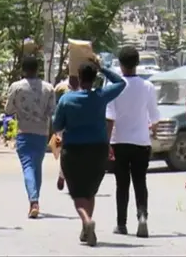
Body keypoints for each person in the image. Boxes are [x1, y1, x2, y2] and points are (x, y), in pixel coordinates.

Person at [52, 59, 126, 247]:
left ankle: (86, 220)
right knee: (90, 191)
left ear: (78, 77)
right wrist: (102, 68)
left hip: (73, 150)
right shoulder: (101, 96)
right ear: (94, 78)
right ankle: (86, 229)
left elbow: (57, 125)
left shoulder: (66, 99)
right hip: (98, 149)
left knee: (77, 193)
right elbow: (120, 83)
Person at [105, 46, 160, 237]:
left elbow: (109, 118)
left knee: (122, 184)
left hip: (119, 141)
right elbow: (154, 118)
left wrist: (106, 144)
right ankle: (142, 216)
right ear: (138, 63)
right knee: (140, 181)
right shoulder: (148, 87)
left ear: (120, 65)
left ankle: (121, 224)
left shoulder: (113, 88)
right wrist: (151, 130)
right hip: (141, 142)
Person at [5, 56, 55, 219]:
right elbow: (51, 111)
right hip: (42, 133)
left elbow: (8, 109)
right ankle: (34, 200)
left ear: (23, 69)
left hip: (24, 131)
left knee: (27, 166)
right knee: (36, 166)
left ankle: (34, 201)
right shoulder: (49, 88)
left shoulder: (17, 87)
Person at [53, 75, 79, 191]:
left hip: (63, 124)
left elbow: (55, 106)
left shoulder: (59, 87)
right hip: (75, 125)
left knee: (66, 152)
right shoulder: (82, 89)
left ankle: (62, 175)